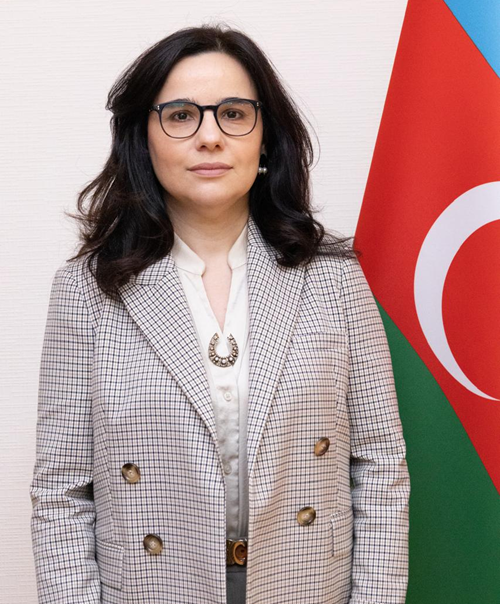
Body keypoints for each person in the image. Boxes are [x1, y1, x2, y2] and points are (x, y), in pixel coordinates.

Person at [29, 24, 410, 604]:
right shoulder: (86, 291)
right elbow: (61, 493)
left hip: (305, 585)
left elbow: (380, 467)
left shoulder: (334, 280)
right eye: (181, 115)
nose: (210, 137)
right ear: (143, 138)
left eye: (233, 114)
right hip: (154, 589)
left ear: (266, 137)